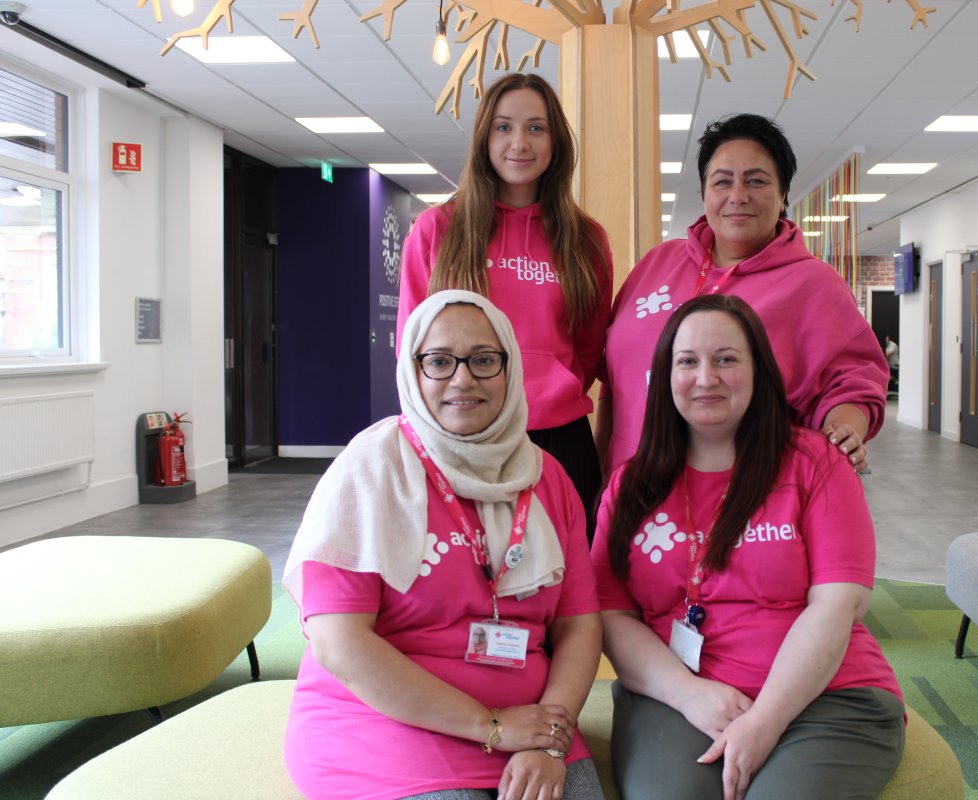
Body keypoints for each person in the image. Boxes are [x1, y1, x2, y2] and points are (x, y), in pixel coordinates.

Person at [286, 290, 604, 800]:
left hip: (528, 726)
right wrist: (491, 725)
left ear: (510, 368)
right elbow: (338, 641)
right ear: (413, 371)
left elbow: (580, 624)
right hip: (387, 723)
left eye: (483, 359)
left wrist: (548, 737)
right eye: (439, 361)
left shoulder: (548, 480)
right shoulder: (370, 470)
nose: (463, 378)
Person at [592, 294, 905, 800]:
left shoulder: (814, 464)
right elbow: (610, 615)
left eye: (727, 359)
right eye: (687, 361)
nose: (706, 378)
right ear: (665, 376)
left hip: (826, 696)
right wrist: (691, 696)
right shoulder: (633, 485)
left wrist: (764, 722)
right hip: (679, 695)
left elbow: (839, 603)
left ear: (759, 371)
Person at [597, 114, 887, 476]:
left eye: (756, 181)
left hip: (748, 494)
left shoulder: (813, 283)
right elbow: (613, 379)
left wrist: (843, 431)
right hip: (632, 489)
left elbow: (852, 380)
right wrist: (599, 477)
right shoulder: (658, 263)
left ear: (782, 196)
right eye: (722, 181)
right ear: (704, 193)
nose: (738, 196)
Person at [398, 73, 613, 539]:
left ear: (556, 140)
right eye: (503, 127)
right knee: (472, 582)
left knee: (572, 578)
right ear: (483, 138)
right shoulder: (438, 229)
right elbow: (411, 349)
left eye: (536, 127)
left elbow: (593, 347)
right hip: (463, 435)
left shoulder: (586, 239)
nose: (520, 142)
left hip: (560, 436)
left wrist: (547, 385)